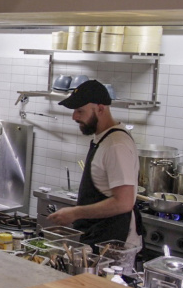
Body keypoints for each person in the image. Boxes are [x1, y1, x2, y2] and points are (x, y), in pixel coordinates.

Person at [47, 80, 143, 248]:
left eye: (80, 111)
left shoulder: (116, 145)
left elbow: (124, 202)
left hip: (114, 242)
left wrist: (76, 212)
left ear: (100, 108)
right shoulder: (103, 139)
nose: (74, 117)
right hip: (99, 235)